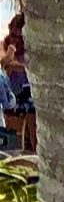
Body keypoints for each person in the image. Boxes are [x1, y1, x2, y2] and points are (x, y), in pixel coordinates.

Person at [1, 15, 33, 154]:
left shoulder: (29, 49)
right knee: (13, 138)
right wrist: (10, 53)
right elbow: (4, 62)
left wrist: (15, 64)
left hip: (29, 97)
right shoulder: (4, 45)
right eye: (12, 35)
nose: (14, 40)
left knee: (35, 135)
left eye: (18, 37)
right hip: (11, 97)